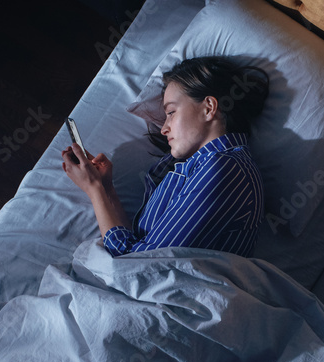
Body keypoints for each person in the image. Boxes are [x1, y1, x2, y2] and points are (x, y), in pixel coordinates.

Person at [62, 56, 269, 258]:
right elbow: (138, 250)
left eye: (170, 112)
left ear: (208, 108)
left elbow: (141, 264)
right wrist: (106, 189)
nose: (164, 129)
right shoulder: (201, 167)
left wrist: (94, 190)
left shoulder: (226, 168)